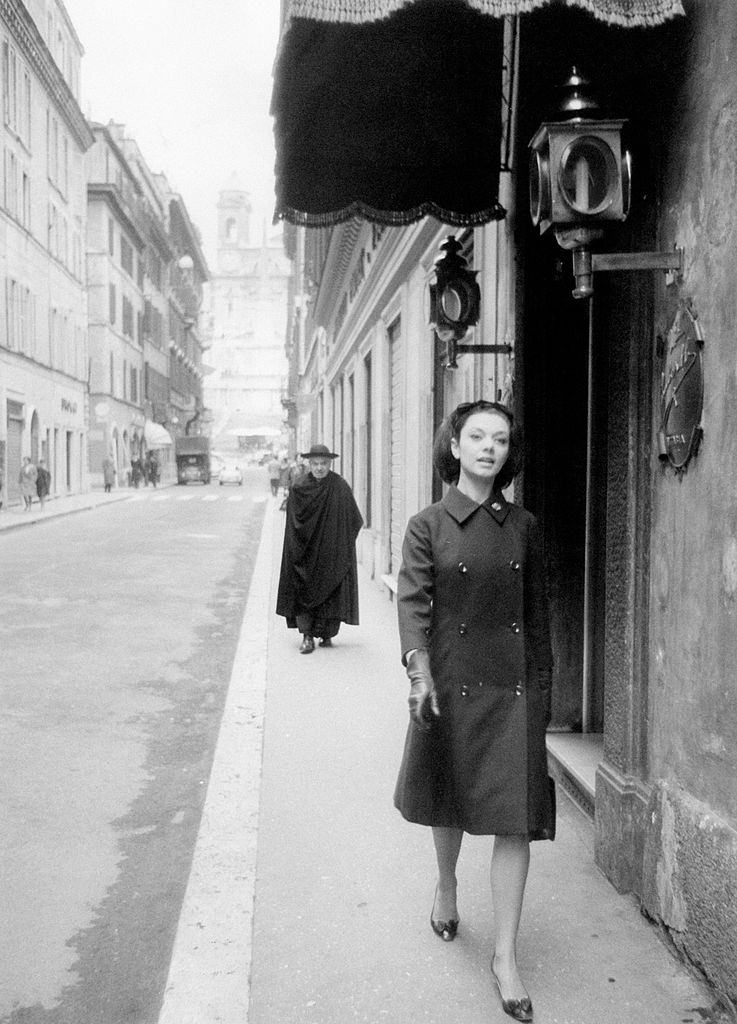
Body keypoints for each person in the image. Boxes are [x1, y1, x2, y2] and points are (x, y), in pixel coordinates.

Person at [394, 400, 553, 1024]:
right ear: (454, 446)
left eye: (501, 439)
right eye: (477, 436)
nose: (490, 447)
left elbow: (538, 621)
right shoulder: (427, 525)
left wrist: (542, 692)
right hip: (451, 682)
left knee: (516, 819)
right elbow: (413, 606)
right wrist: (419, 673)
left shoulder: (526, 528)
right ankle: (447, 884)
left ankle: (505, 957)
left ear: (509, 453)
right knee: (452, 797)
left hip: (513, 690)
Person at [276, 443, 363, 654]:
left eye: (323, 463)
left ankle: (325, 634)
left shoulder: (340, 487)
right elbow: (293, 523)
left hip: (331, 551)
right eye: (315, 463)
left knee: (331, 592)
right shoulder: (299, 488)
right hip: (305, 551)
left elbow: (354, 518)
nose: (319, 468)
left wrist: (340, 544)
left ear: (330, 464)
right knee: (304, 589)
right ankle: (307, 636)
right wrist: (299, 545)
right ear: (309, 464)